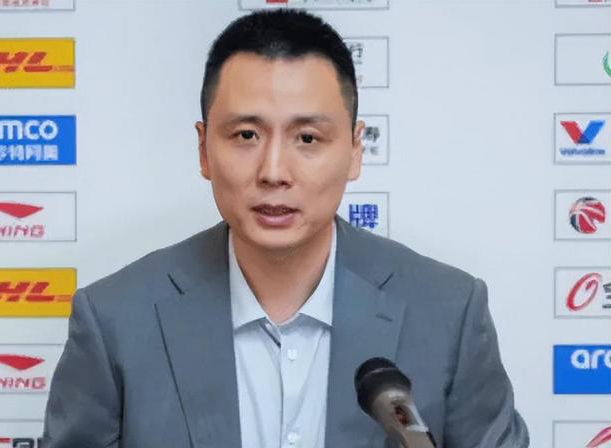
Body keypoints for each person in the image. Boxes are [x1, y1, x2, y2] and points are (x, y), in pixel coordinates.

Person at [43, 9, 529, 448]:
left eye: (307, 138)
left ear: (355, 150)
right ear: (204, 150)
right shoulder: (115, 321)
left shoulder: (448, 313)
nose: (274, 171)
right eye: (246, 135)